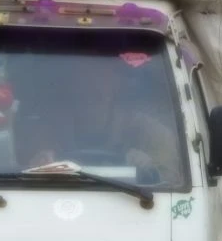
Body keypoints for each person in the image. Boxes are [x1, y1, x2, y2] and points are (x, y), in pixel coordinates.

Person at [26, 55, 183, 184]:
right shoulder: (49, 129)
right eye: (82, 90)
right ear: (70, 89)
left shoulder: (150, 132)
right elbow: (17, 177)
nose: (90, 84)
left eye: (96, 94)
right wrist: (39, 164)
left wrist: (150, 168)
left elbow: (173, 186)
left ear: (115, 88)